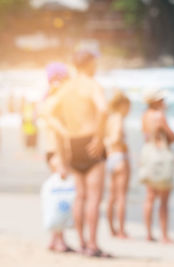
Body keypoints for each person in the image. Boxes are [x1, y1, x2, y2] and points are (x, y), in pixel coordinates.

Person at [46, 50, 109, 257]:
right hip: (91, 140)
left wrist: (65, 132)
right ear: (89, 64)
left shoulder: (67, 86)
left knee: (80, 197)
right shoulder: (92, 84)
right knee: (93, 198)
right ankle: (92, 244)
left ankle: (81, 243)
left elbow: (48, 112)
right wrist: (99, 138)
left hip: (73, 142)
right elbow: (103, 109)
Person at [42, 62, 73, 253]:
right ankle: (58, 239)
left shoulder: (47, 98)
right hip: (57, 150)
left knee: (58, 194)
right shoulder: (55, 100)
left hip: (51, 149)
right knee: (61, 195)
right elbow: (60, 129)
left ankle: (55, 238)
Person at [139, 88, 174, 243]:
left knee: (150, 196)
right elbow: (172, 136)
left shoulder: (144, 116)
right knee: (163, 199)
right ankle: (164, 235)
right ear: (155, 101)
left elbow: (145, 134)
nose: (164, 102)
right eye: (161, 100)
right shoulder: (159, 116)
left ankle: (148, 233)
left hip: (147, 152)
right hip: (161, 153)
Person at [105, 91, 131, 239]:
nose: (129, 111)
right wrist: (123, 145)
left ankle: (112, 229)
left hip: (110, 158)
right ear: (122, 105)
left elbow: (106, 138)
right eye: (128, 107)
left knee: (112, 196)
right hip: (120, 157)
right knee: (121, 197)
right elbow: (115, 137)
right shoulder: (119, 119)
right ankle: (121, 230)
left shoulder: (108, 118)